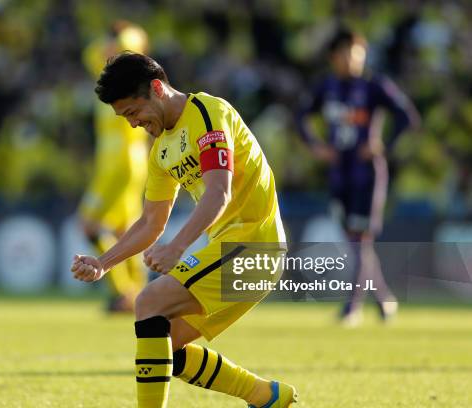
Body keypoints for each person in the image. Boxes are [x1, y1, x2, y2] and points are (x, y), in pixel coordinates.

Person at [71, 52, 297, 408]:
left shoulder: (208, 114)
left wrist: (177, 247)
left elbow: (218, 192)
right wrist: (104, 262)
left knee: (148, 303)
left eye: (133, 113)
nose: (132, 125)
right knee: (165, 347)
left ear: (157, 88)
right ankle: (265, 396)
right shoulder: (161, 151)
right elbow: (150, 223)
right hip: (232, 251)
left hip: (254, 246)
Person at [295, 28, 420, 325]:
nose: (353, 59)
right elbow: (299, 116)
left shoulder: (375, 86)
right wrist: (316, 146)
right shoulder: (326, 87)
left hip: (367, 175)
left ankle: (353, 307)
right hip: (339, 175)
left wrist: (383, 145)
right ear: (334, 57)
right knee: (355, 240)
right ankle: (384, 299)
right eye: (347, 53)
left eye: (358, 53)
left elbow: (407, 116)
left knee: (360, 240)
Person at [78, 22, 150, 312]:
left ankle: (123, 293)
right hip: (121, 163)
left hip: (121, 163)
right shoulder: (105, 76)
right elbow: (90, 53)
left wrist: (121, 37)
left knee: (88, 225)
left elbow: (136, 40)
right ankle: (137, 296)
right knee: (124, 230)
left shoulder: (132, 77)